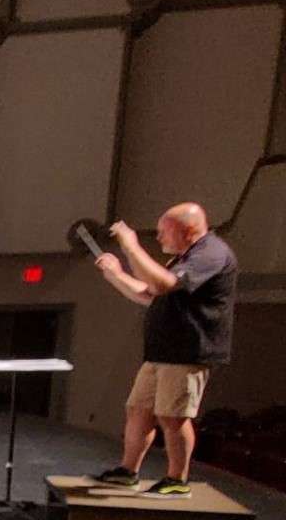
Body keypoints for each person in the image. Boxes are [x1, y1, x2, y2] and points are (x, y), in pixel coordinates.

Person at [93, 202, 238, 498]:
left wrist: (131, 246)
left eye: (163, 232)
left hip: (186, 352)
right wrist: (115, 274)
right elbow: (150, 295)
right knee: (139, 410)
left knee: (173, 416)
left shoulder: (210, 254)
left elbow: (161, 285)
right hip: (162, 352)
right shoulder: (185, 258)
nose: (159, 238)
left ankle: (176, 478)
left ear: (189, 230)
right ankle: (127, 470)